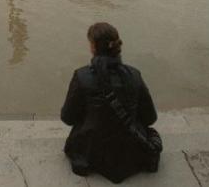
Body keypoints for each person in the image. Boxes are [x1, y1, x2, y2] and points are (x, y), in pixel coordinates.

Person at [61, 22, 161, 184]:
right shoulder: (134, 75)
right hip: (131, 152)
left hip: (92, 151)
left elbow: (67, 118)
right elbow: (150, 118)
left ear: (93, 47)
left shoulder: (81, 76)